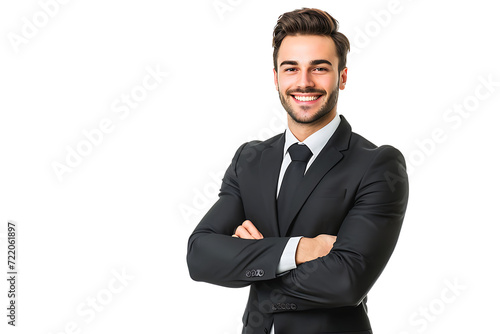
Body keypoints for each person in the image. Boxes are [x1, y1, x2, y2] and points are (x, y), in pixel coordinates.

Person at [187, 7, 409, 334]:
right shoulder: (250, 159)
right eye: (291, 69)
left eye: (319, 68)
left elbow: (345, 281)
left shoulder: (378, 165)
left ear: (342, 77)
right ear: (276, 78)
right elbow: (200, 256)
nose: (304, 82)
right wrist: (303, 249)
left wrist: (250, 259)